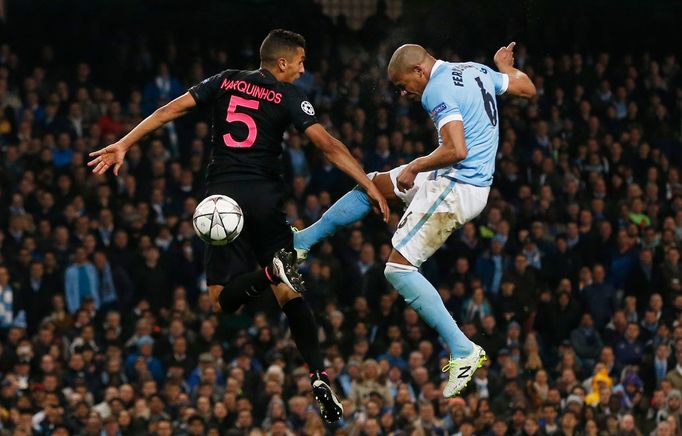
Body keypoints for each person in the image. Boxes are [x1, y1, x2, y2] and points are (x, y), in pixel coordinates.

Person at [87, 29, 388, 422]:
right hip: (265, 201)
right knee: (289, 293)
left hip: (222, 203)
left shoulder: (224, 80)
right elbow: (327, 145)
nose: (302, 68)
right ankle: (317, 373)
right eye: (299, 61)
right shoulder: (289, 97)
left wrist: (125, 143)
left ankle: (268, 272)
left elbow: (168, 111)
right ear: (281, 63)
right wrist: (367, 184)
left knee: (220, 300)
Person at [293, 42, 535, 397]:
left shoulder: (435, 90)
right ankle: (302, 242)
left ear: (419, 71)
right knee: (371, 186)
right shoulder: (474, 69)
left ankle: (464, 348)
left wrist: (416, 167)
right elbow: (527, 88)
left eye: (403, 85)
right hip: (456, 177)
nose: (404, 93)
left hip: (457, 187)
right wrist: (504, 68)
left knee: (398, 270)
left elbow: (457, 149)